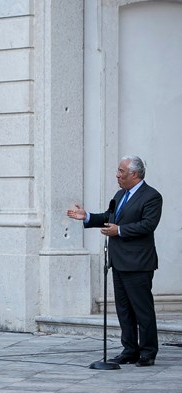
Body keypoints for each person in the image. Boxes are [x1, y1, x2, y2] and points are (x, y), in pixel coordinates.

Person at [66, 155, 162, 366]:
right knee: (124, 309)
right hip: (118, 262)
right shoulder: (120, 195)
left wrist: (120, 230)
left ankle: (147, 353)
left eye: (121, 171)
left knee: (142, 309)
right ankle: (129, 350)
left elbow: (147, 225)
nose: (117, 175)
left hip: (138, 263)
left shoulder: (152, 196)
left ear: (134, 174)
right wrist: (88, 216)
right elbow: (109, 217)